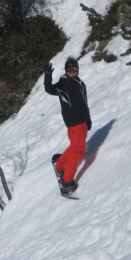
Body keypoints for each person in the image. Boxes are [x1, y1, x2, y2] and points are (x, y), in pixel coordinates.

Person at [44, 57, 92, 193]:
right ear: (66, 70)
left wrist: (87, 119)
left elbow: (84, 102)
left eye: (74, 70)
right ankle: (67, 181)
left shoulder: (80, 83)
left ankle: (60, 166)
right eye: (69, 70)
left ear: (77, 70)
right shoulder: (63, 85)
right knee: (78, 151)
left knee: (75, 147)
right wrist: (47, 75)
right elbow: (49, 89)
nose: (72, 72)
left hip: (81, 122)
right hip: (74, 123)